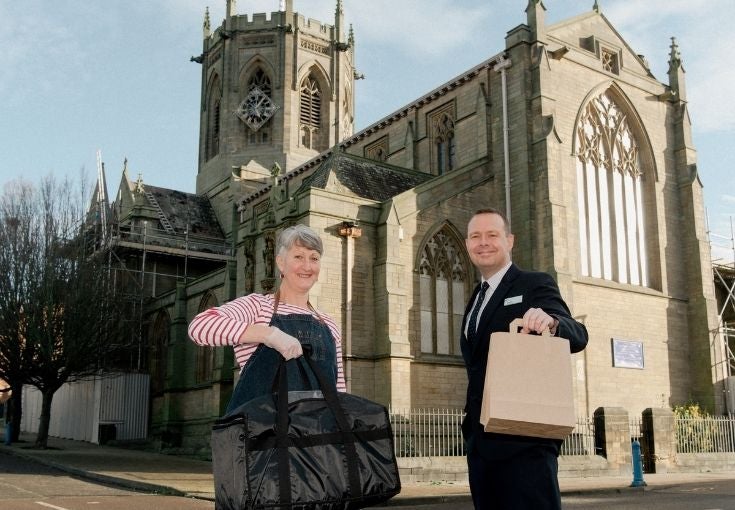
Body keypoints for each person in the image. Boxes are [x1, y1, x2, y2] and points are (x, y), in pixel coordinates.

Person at [460, 208, 588, 510]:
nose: (484, 242)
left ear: (510, 241)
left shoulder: (533, 284)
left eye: (493, 235)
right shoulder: (476, 298)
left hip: (526, 442)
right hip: (481, 443)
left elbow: (578, 334)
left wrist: (552, 322)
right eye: (476, 236)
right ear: (467, 244)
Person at [188, 224, 346, 414]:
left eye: (314, 258)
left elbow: (338, 390)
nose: (307, 266)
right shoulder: (257, 307)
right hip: (266, 434)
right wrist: (269, 334)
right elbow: (199, 327)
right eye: (298, 257)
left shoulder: (328, 324)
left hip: (317, 437)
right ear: (280, 263)